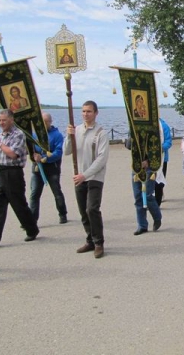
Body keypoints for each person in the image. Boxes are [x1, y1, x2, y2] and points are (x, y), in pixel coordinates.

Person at [0, 109, 40, 248]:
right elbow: (1, 153)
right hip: (1, 172)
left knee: (19, 205)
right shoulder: (1, 135)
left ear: (11, 120)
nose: (1, 123)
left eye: (4, 120)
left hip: (13, 173)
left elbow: (13, 154)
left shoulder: (18, 134)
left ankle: (32, 229)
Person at [64, 101, 109, 258]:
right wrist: (69, 137)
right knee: (83, 211)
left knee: (92, 209)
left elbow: (101, 159)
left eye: (89, 111)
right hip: (79, 176)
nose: (85, 114)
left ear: (96, 113)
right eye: (83, 111)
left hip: (95, 177)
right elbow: (67, 151)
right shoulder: (76, 130)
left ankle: (98, 242)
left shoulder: (101, 133)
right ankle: (89, 240)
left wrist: (86, 174)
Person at [28, 112, 68, 224]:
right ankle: (32, 219)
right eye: (41, 122)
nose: (43, 124)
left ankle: (62, 213)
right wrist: (33, 155)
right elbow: (30, 149)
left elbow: (58, 152)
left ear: (50, 122)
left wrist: (45, 158)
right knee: (34, 194)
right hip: (37, 169)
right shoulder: (34, 134)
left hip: (52, 168)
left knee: (56, 192)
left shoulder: (57, 135)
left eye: (45, 122)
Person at [155, 117, 172, 206]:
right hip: (148, 158)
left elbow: (168, 142)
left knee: (159, 180)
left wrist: (159, 149)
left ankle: (157, 203)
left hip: (162, 158)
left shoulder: (164, 126)